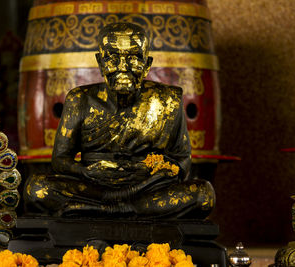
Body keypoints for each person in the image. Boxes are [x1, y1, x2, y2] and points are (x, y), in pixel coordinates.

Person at [24, 22, 214, 219]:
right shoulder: (80, 99)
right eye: (113, 58)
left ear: (147, 64)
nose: (123, 67)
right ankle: (130, 211)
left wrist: (153, 172)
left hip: (146, 188)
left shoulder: (168, 100)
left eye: (133, 58)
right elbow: (60, 160)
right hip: (93, 187)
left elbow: (182, 160)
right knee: (37, 188)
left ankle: (106, 212)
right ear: (100, 62)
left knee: (203, 194)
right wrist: (85, 172)